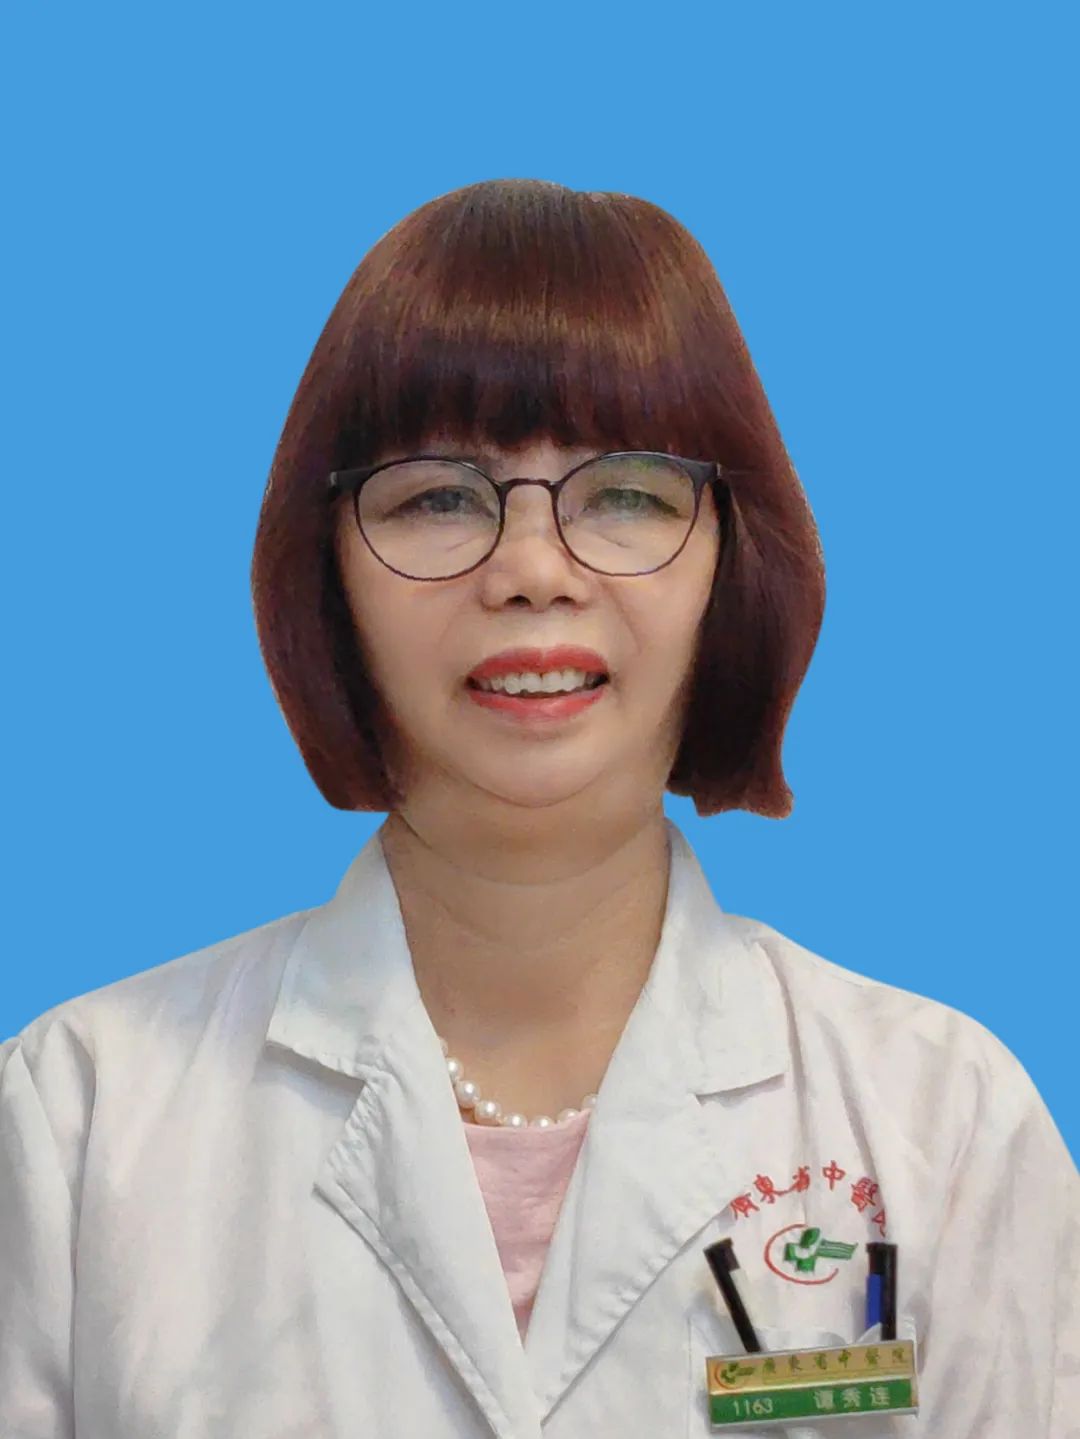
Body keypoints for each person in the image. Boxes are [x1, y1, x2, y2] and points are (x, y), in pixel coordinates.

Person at [1, 178, 1076, 1438]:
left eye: (626, 492)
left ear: (730, 561)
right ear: (327, 570)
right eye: (438, 496)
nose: (530, 570)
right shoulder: (82, 1119)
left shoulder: (940, 1120)